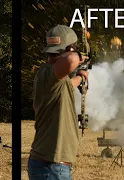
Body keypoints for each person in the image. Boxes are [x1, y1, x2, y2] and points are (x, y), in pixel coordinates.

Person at [28, 25, 89, 180]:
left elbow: (68, 85)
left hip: (51, 166)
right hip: (52, 167)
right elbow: (71, 60)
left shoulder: (52, 77)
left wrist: (81, 77)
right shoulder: (50, 73)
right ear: (68, 49)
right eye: (74, 48)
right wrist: (78, 55)